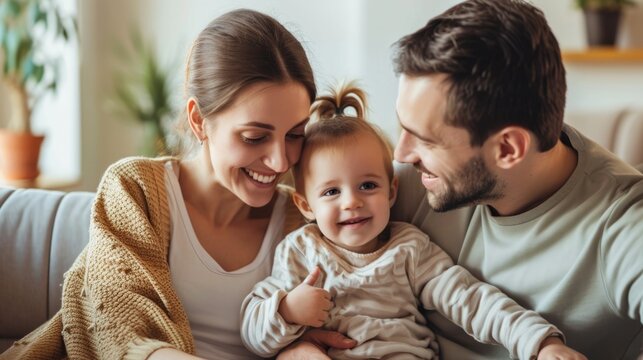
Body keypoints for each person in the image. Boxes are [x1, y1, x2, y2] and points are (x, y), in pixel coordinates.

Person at [0, 9, 355, 360]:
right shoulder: (136, 190)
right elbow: (118, 333)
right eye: (254, 137)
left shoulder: (304, 221)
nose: (280, 161)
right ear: (199, 120)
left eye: (294, 134)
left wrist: (302, 346)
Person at [241, 83, 587, 360]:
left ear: (392, 191)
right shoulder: (301, 252)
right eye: (331, 192)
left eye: (367, 185)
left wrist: (540, 342)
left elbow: (471, 300)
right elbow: (254, 334)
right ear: (304, 204)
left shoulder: (409, 247)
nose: (352, 202)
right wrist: (287, 310)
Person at [388, 0, 642, 359]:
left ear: (508, 148)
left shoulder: (624, 225)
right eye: (402, 127)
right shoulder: (405, 185)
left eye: (426, 140)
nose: (400, 154)